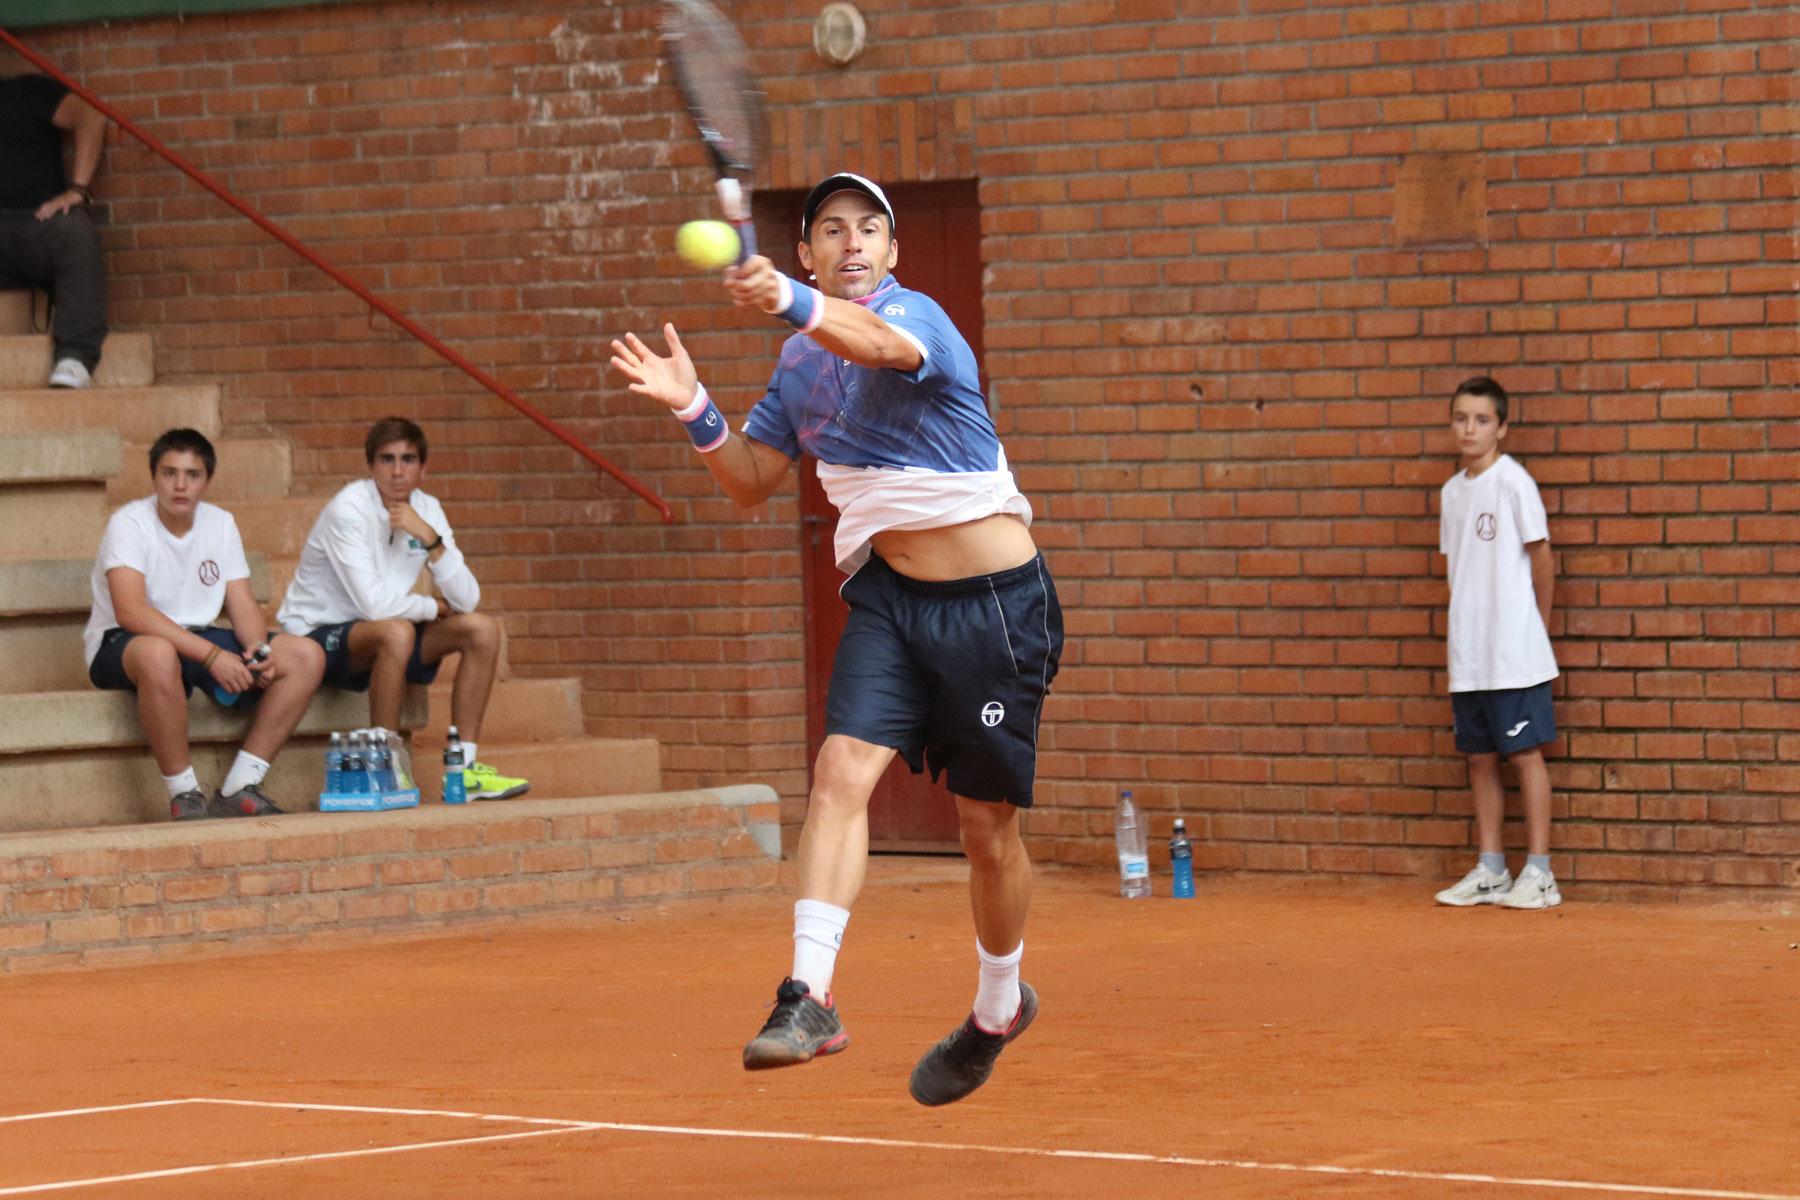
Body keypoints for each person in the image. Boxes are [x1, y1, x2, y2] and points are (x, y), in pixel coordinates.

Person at [610, 172, 1062, 1106]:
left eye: (869, 231)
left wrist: (785, 297)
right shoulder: (797, 367)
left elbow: (878, 343)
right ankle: (808, 996)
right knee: (839, 772)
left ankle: (996, 1005)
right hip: (892, 600)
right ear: (810, 247)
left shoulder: (917, 317)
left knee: (986, 830)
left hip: (996, 606)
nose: (851, 244)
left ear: (892, 253)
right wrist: (694, 407)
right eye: (830, 231)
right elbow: (750, 479)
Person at [276, 417, 529, 801]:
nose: (397, 471)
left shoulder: (428, 509)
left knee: (482, 629)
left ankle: (465, 771)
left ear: (423, 467)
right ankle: (384, 768)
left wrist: (431, 539)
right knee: (397, 631)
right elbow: (374, 605)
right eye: (387, 459)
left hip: (388, 630)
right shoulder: (348, 509)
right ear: (370, 466)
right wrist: (429, 606)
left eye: (408, 460)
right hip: (318, 634)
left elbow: (467, 600)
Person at [84, 429, 326, 820]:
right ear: (154, 478)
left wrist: (257, 651)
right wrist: (213, 656)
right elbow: (131, 611)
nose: (181, 485)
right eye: (170, 473)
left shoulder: (221, 523)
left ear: (206, 481)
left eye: (192, 474)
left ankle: (240, 785)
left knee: (305, 654)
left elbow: (242, 603)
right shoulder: (128, 523)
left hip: (200, 636)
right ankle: (185, 794)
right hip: (125, 640)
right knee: (160, 654)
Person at [1433, 377, 1561, 910]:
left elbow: (1542, 557)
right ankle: (1491, 869)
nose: (1470, 428)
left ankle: (1540, 872)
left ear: (1502, 427)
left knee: (1525, 754)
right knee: (1480, 759)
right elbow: (1457, 569)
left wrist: (1538, 628)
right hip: (1470, 655)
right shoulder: (1450, 491)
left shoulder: (1513, 482)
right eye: (1461, 418)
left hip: (1514, 654)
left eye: (1482, 420)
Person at [0, 67, 107, 389]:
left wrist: (78, 189)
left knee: (75, 230)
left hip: (38, 227)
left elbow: (92, 117)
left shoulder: (26, 91)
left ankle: (75, 357)